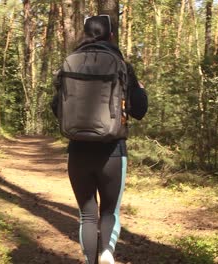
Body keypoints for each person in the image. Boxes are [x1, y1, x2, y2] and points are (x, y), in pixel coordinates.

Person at [51, 15, 148, 264]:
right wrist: (141, 89)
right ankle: (107, 252)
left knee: (87, 215)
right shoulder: (122, 65)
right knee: (109, 210)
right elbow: (139, 110)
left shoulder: (70, 62)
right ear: (111, 35)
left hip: (78, 150)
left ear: (85, 34)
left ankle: (90, 260)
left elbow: (56, 108)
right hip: (113, 151)